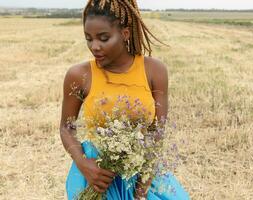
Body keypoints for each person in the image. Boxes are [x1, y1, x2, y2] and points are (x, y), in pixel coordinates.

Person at [59, 0, 190, 199]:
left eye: (103, 38)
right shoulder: (79, 75)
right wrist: (84, 163)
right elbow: (66, 127)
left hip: (143, 170)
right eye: (89, 38)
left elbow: (157, 130)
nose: (94, 47)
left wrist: (142, 186)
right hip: (99, 176)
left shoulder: (154, 71)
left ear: (125, 34)